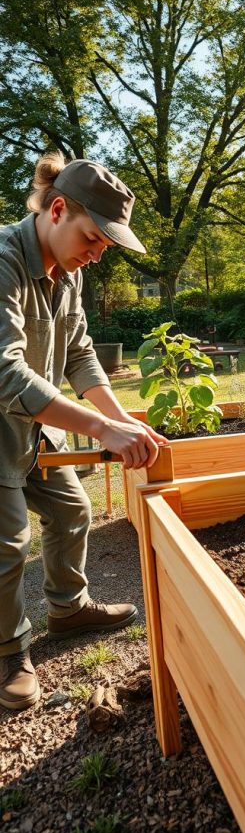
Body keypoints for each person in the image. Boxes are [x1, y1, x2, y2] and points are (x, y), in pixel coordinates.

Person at [0, 152, 168, 711]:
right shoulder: (3, 260)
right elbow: (5, 372)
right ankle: (9, 653)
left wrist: (119, 420)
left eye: (104, 245)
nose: (97, 255)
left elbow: (79, 355)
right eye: (94, 237)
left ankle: (68, 610)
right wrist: (98, 428)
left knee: (72, 509)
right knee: (8, 544)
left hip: (38, 429)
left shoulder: (65, 274)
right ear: (57, 209)